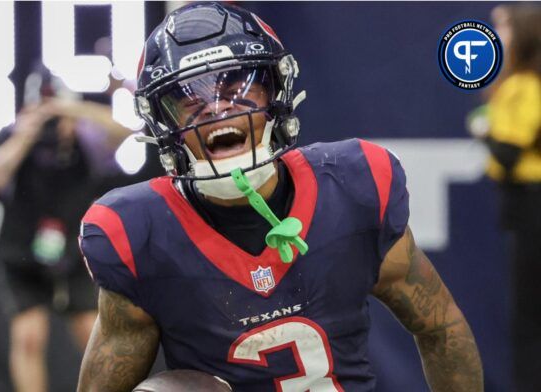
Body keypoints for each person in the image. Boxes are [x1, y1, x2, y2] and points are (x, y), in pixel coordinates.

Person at [77, 3, 483, 391]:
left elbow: (440, 326)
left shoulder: (352, 188)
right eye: (188, 99)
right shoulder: (139, 234)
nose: (217, 110)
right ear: (162, 122)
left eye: (238, 85)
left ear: (276, 91)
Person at [0, 65, 133, 392]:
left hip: (76, 253)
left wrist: (72, 111)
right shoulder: (9, 140)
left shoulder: (87, 143)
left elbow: (124, 130)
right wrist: (25, 135)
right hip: (22, 252)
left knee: (93, 334)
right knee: (29, 335)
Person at [468, 4, 541, 388]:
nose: (498, 39)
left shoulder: (525, 86)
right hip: (523, 205)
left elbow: (509, 153)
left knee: (529, 319)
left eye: (505, 29)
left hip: (532, 205)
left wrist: (483, 129)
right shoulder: (518, 85)